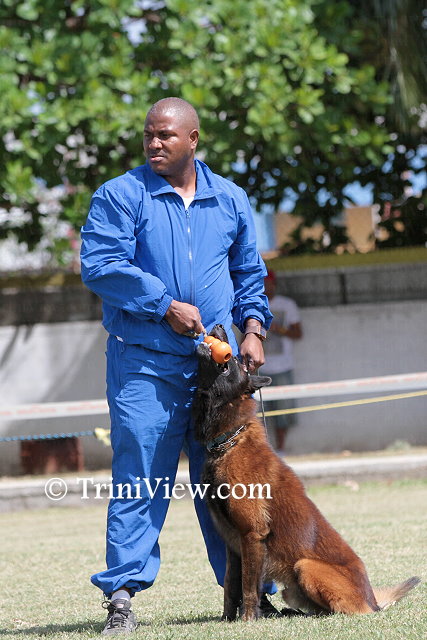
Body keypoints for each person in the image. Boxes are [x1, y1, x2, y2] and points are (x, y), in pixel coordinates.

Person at [80, 97, 277, 635]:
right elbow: (100, 266)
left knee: (232, 482)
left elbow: (248, 272)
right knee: (139, 477)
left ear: (193, 139)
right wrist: (162, 304)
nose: (154, 143)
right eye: (149, 134)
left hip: (216, 372)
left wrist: (253, 329)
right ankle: (122, 597)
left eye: (165, 134)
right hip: (145, 365)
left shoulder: (230, 198)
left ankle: (253, 593)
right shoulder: (120, 195)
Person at [262, 270, 303, 454]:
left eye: (268, 283)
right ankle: (264, 450)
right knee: (260, 413)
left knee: (284, 412)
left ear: (274, 284)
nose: (265, 287)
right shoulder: (254, 303)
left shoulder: (287, 305)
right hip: (260, 368)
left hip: (283, 366)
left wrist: (280, 330)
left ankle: (281, 449)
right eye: (262, 284)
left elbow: (298, 333)